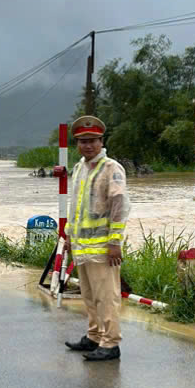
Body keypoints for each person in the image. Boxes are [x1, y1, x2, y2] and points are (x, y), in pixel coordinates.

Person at [64, 115, 130, 363]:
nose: (88, 145)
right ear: (77, 144)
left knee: (106, 296)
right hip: (82, 247)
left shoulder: (111, 169)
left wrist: (115, 242)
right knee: (89, 295)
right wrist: (70, 236)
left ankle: (110, 342)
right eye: (83, 141)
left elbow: (119, 205)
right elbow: (76, 206)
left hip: (103, 247)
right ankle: (94, 336)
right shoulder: (80, 168)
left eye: (92, 141)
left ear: (102, 141)